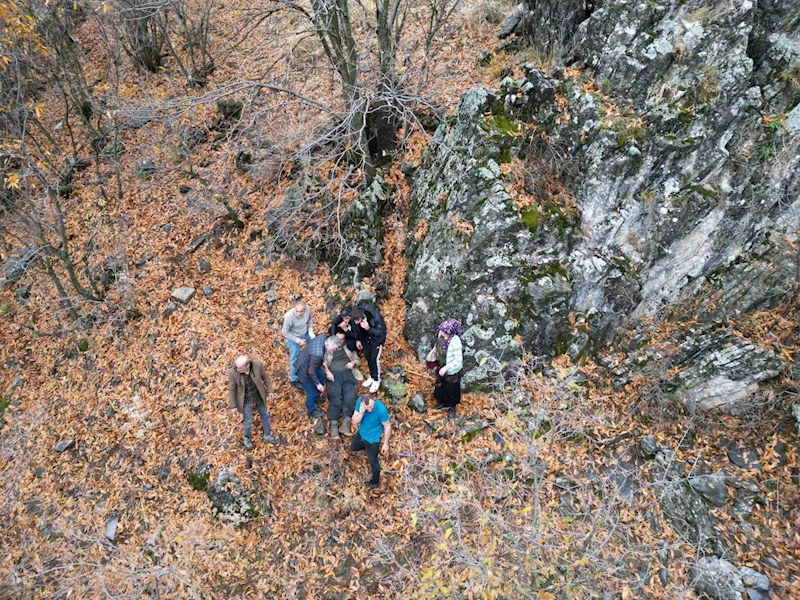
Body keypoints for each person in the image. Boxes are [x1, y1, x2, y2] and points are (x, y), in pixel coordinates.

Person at [227, 355, 280, 449]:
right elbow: (231, 390)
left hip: (258, 397)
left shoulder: (257, 365)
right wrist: (233, 406)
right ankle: (246, 437)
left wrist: (270, 391)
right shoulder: (233, 372)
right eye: (236, 367)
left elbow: (265, 378)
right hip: (246, 401)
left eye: (239, 368)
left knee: (265, 416)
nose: (237, 369)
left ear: (247, 365)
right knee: (248, 420)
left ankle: (267, 435)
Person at [323, 335, 362, 439]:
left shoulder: (348, 348)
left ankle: (346, 423)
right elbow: (323, 363)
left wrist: (352, 363)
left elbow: (358, 361)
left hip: (348, 374)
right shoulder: (328, 350)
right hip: (334, 375)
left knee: (350, 397)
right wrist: (327, 372)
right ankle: (334, 425)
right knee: (335, 398)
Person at [350, 393, 391, 489]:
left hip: (373, 440)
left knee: (373, 462)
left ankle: (375, 482)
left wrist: (386, 444)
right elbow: (354, 421)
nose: (370, 409)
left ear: (374, 400)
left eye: (371, 407)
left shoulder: (381, 410)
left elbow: (387, 427)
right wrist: (361, 412)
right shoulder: (360, 402)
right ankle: (364, 448)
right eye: (367, 407)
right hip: (361, 433)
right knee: (353, 447)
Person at [426, 318, 463, 419]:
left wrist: (446, 368)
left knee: (452, 389)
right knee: (441, 386)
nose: (441, 332)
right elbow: (438, 344)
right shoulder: (441, 335)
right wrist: (434, 351)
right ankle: (442, 402)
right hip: (441, 365)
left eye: (444, 331)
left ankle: (452, 406)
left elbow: (458, 360)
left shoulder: (455, 342)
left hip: (452, 370)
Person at [351, 304, 386, 394]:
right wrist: (357, 339)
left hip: (376, 340)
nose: (356, 322)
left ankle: (376, 380)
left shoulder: (375, 316)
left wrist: (368, 328)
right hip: (365, 339)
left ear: (362, 316)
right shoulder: (355, 316)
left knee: (374, 359)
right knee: (368, 357)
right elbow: (355, 329)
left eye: (357, 320)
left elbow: (381, 333)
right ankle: (372, 375)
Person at [282, 297, 315, 387]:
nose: (299, 313)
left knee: (313, 349)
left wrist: (310, 332)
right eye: (297, 311)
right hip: (294, 337)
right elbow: (285, 332)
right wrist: (298, 340)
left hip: (305, 333)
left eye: (301, 311)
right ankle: (294, 379)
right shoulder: (289, 316)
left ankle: (311, 369)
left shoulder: (308, 310)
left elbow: (310, 320)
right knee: (294, 358)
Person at [295, 333, 327, 421]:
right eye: (334, 348)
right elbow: (311, 371)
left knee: (322, 376)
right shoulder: (318, 354)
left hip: (311, 363)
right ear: (329, 345)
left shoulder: (322, 337)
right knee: (310, 391)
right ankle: (311, 409)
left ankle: (317, 397)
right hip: (304, 370)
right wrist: (318, 384)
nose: (334, 350)